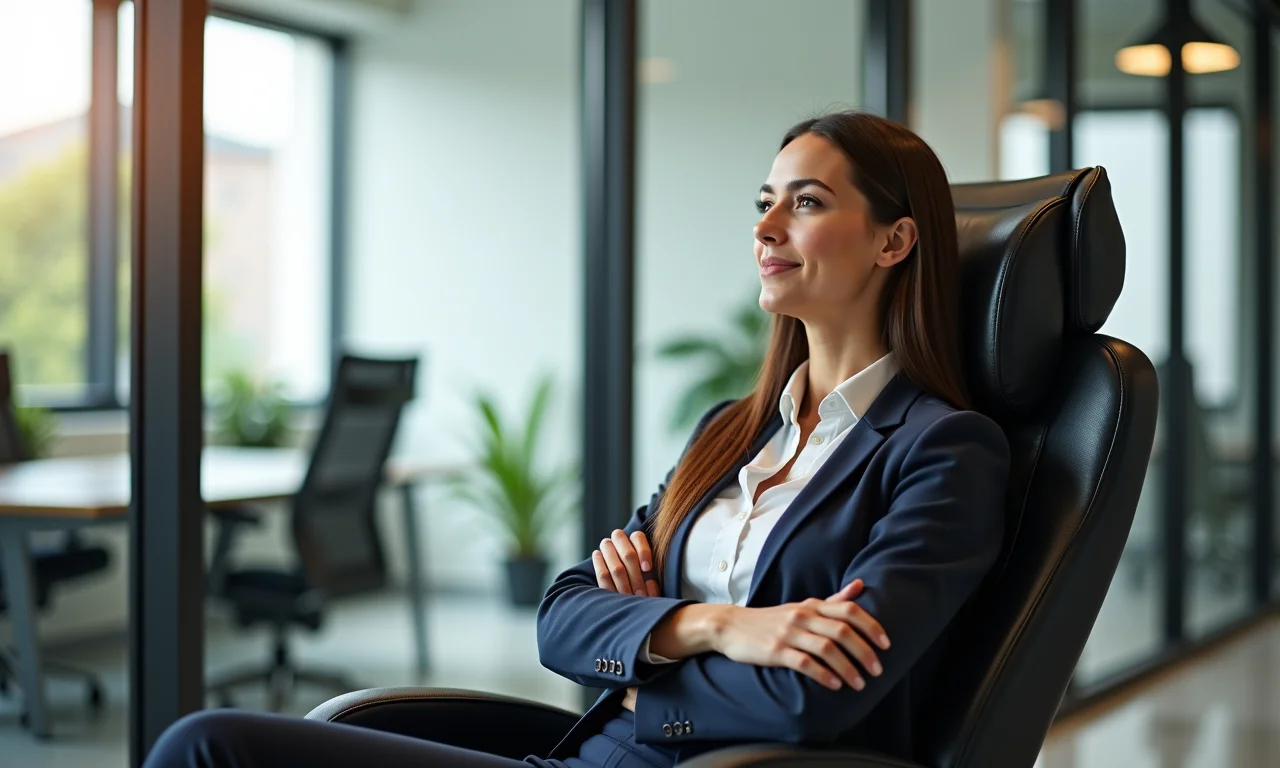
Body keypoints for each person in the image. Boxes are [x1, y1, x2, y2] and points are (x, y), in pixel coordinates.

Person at [143, 110, 1010, 768]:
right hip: (580, 756)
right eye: (763, 204)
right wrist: (716, 627)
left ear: (895, 240)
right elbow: (563, 613)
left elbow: (812, 699)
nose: (765, 228)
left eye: (807, 203)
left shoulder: (941, 452)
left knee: (209, 747)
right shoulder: (733, 432)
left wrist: (643, 668)